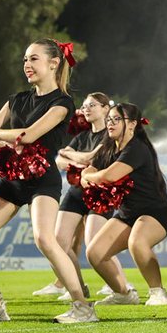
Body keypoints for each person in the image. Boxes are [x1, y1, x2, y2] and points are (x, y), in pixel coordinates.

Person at [0, 38, 88, 323]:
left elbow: (29, 135)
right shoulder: (16, 99)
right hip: (13, 179)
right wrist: (6, 137)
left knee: (45, 239)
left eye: (33, 59)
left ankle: (82, 307)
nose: (27, 65)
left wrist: (1, 134)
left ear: (53, 63)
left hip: (43, 179)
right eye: (24, 60)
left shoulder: (62, 102)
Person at [37, 91, 132, 301]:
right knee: (58, 242)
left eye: (93, 105)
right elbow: (59, 160)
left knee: (95, 244)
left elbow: (92, 157)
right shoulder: (81, 137)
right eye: (85, 105)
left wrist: (73, 156)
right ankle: (77, 287)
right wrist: (76, 159)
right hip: (76, 191)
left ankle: (124, 288)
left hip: (100, 192)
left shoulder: (109, 134)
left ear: (106, 109)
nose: (86, 109)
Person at [86, 102, 167, 308]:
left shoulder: (137, 148)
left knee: (138, 241)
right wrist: (90, 176)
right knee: (95, 253)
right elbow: (86, 172)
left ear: (133, 124)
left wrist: (93, 177)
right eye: (109, 119)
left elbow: (109, 176)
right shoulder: (109, 147)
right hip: (127, 213)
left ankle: (158, 292)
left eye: (117, 119)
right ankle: (123, 294)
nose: (111, 123)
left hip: (155, 212)